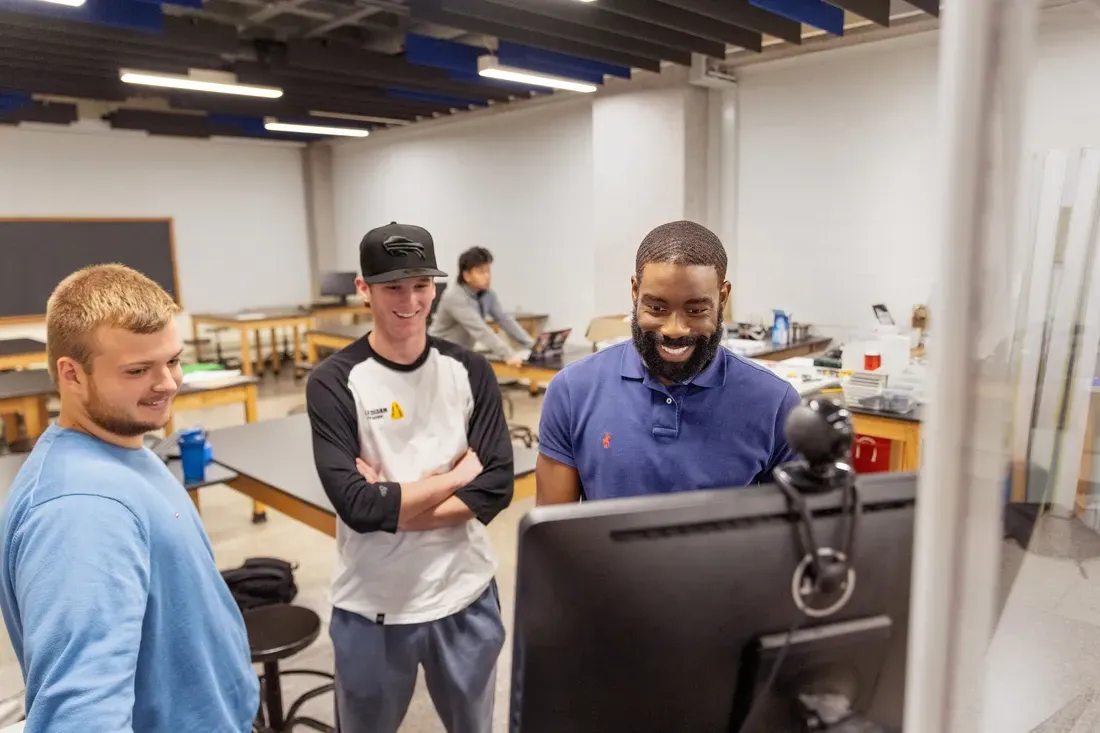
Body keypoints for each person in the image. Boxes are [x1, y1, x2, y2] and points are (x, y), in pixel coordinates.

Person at [0, 264, 258, 733]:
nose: (168, 383)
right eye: (138, 370)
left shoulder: (121, 449)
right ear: (71, 374)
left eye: (173, 360)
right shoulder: (80, 511)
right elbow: (81, 717)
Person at [306, 222, 514, 733]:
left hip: (464, 596)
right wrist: (454, 477)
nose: (409, 299)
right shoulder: (334, 382)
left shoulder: (470, 371)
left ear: (435, 287)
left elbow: (497, 486)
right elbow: (357, 507)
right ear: (364, 289)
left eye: (421, 285)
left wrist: (392, 502)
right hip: (372, 607)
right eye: (392, 287)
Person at [536, 220, 801, 505]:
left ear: (722, 298)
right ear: (635, 292)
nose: (675, 329)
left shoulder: (775, 403)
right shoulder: (572, 391)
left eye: (696, 310)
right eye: (657, 308)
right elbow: (553, 537)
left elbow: (794, 534)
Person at [429, 246, 535, 367]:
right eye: (481, 272)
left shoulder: (487, 294)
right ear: (467, 276)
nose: (487, 276)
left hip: (460, 354)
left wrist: (532, 344)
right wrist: (508, 355)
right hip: (439, 355)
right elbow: (480, 330)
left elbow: (504, 319)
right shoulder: (454, 296)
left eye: (488, 271)